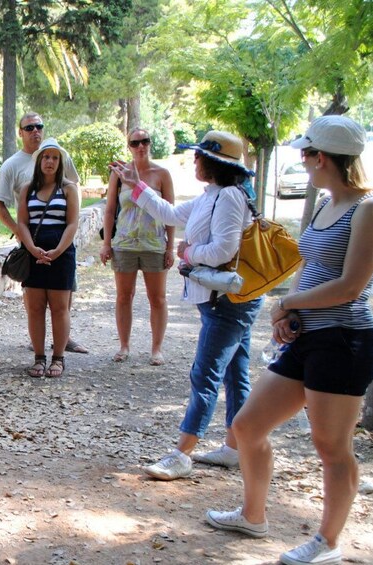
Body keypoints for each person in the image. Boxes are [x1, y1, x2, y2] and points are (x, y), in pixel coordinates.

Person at [206, 116, 373, 565]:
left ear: (323, 158)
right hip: (309, 335)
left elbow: (351, 287)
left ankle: (328, 542)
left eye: (306, 154)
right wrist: (293, 313)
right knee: (247, 426)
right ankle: (252, 515)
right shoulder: (325, 203)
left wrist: (287, 304)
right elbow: (313, 266)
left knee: (331, 446)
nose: (302, 161)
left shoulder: (368, 209)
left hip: (346, 339)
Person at [109, 130, 264, 481]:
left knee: (205, 373)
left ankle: (182, 453)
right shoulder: (214, 195)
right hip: (230, 298)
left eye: (199, 156)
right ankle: (234, 447)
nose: (193, 161)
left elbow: (224, 250)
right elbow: (171, 213)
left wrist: (188, 254)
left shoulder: (228, 198)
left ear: (213, 163)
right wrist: (136, 184)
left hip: (229, 301)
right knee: (235, 372)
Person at [0, 113, 89, 354]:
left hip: (60, 246)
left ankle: (62, 343)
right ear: (20, 132)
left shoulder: (59, 157)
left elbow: (72, 197)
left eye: (39, 126)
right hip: (31, 244)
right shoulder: (12, 166)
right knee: (34, 304)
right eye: (29, 127)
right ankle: (39, 349)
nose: (35, 131)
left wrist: (58, 249)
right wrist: (20, 233)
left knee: (63, 300)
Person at [99, 128, 175, 365]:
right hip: (124, 243)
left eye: (145, 141)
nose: (140, 146)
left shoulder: (162, 174)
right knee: (124, 297)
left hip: (153, 244)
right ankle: (124, 346)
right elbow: (110, 209)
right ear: (129, 146)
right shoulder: (120, 173)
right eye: (135, 142)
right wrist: (106, 243)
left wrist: (170, 247)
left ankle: (156, 349)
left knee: (157, 298)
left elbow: (171, 213)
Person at [15, 139, 80, 378]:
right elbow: (22, 221)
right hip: (33, 252)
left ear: (60, 161)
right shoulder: (27, 188)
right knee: (35, 307)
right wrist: (31, 248)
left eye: (54, 157)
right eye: (45, 157)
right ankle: (39, 357)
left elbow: (72, 223)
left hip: (61, 254)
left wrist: (58, 251)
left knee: (60, 308)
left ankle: (58, 358)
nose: (50, 162)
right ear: (39, 160)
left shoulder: (69, 188)